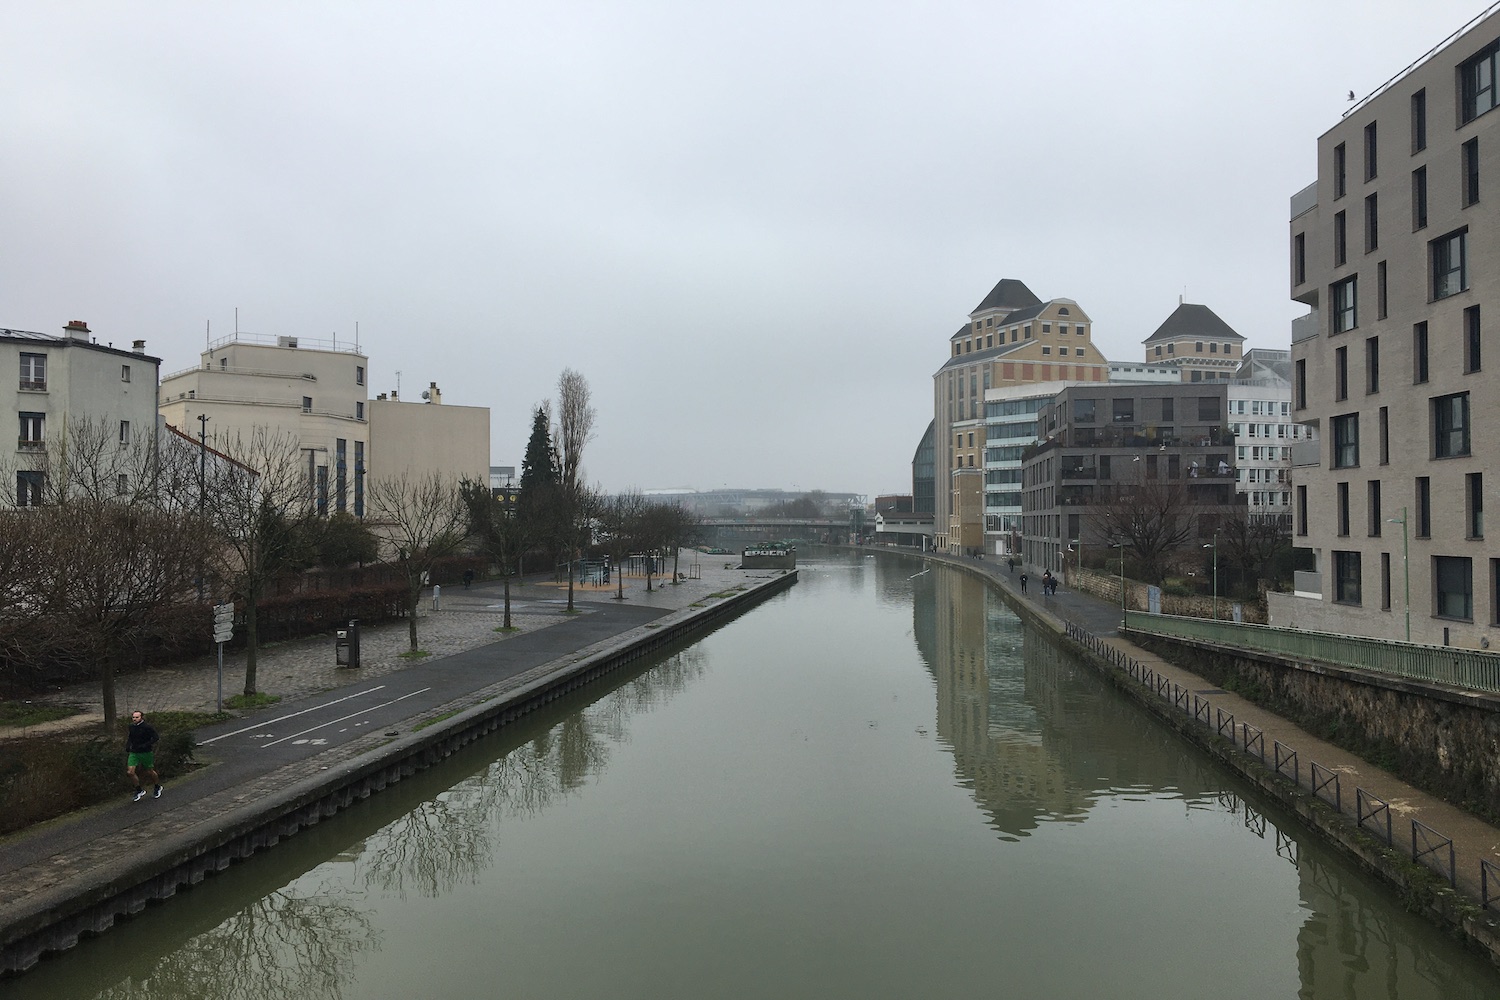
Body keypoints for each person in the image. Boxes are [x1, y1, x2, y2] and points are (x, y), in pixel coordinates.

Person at [126, 710, 162, 802]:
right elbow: (130, 737)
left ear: (141, 717)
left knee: (150, 771)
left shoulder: (147, 727)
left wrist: (146, 745)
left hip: (146, 752)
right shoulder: (131, 727)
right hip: (134, 752)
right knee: (130, 772)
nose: (134, 719)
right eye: (133, 717)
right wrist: (128, 745)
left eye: (137, 717)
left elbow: (155, 737)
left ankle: (157, 786)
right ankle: (139, 790)